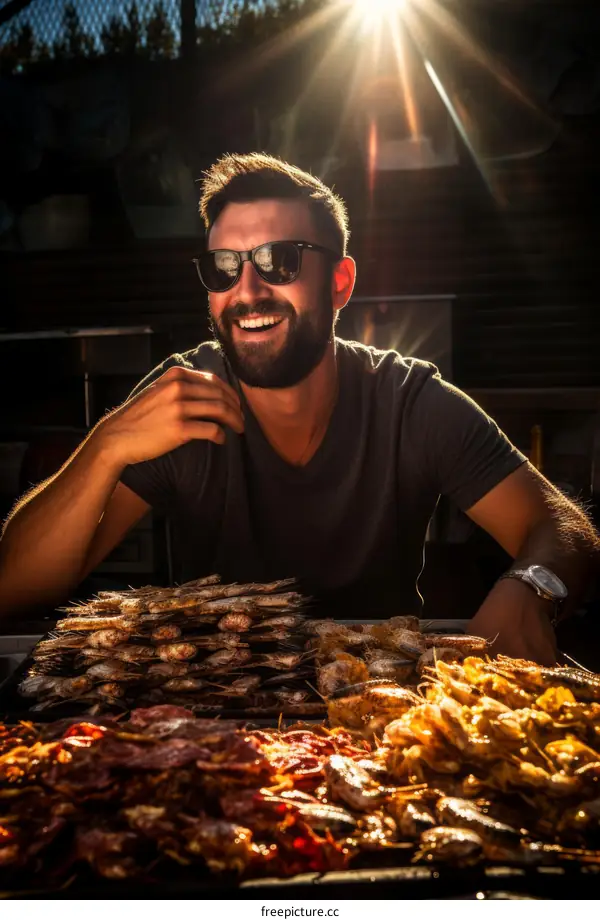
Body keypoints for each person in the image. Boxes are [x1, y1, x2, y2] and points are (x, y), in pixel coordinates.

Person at [0, 152, 598, 665]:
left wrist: (533, 583)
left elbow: (564, 528)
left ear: (340, 283)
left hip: (379, 718)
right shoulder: (183, 399)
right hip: (212, 718)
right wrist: (106, 446)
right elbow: (14, 586)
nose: (249, 292)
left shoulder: (405, 399)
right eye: (224, 268)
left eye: (279, 261)